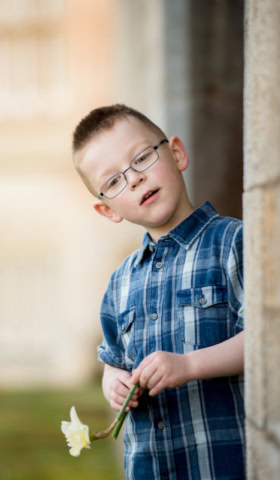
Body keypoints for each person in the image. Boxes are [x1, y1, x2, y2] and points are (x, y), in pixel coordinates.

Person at [72, 104, 245, 479]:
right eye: (114, 181)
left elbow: (269, 339)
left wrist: (188, 365)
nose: (133, 179)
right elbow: (114, 359)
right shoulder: (120, 282)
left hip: (222, 464)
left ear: (177, 154)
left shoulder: (233, 242)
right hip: (151, 467)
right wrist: (112, 384)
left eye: (141, 158)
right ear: (108, 210)